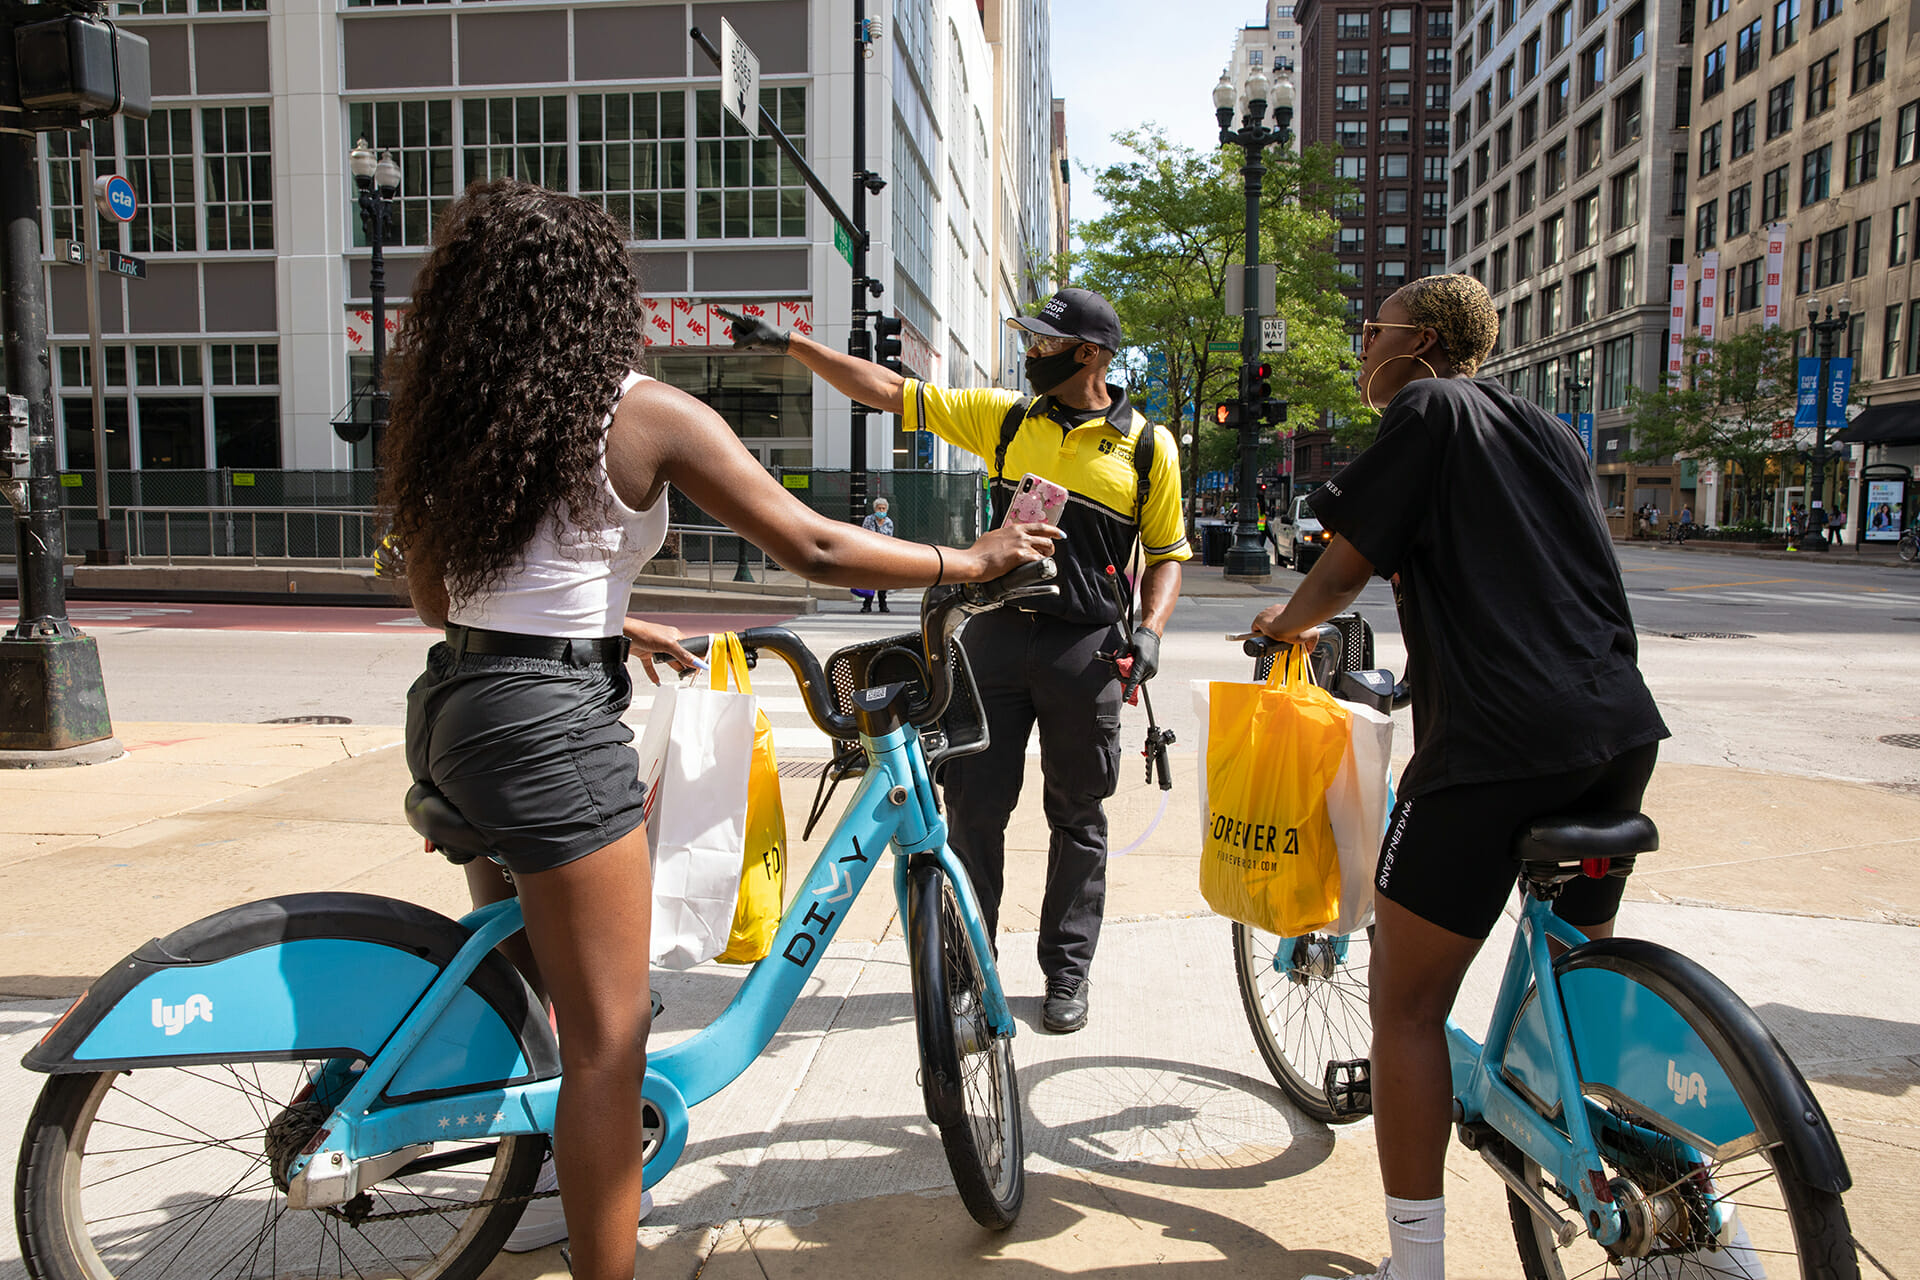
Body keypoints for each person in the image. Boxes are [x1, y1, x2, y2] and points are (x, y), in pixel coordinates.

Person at [382, 181, 1057, 1280]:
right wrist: (969, 560)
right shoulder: (637, 410)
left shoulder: (457, 420)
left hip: (460, 706)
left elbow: (443, 600)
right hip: (549, 731)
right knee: (611, 1044)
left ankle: (563, 1171)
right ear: (598, 297)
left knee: (553, 995)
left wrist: (608, 613)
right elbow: (817, 550)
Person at [1249, 275, 1668, 1280]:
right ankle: (1667, 1199)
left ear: (1424, 342)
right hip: (1615, 730)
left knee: (1404, 1002)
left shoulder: (1427, 405)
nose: (1365, 345)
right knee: (1579, 989)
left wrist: (1282, 626)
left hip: (1496, 745)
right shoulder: (1549, 432)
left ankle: (1416, 1266)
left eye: (1376, 331)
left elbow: (1346, 566)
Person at [720, 286, 1189, 1034]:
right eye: (1032, 342)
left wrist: (1152, 633)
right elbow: (889, 391)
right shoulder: (1004, 417)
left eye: (1046, 344)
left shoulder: (1146, 445)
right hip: (992, 640)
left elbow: (1166, 555)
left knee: (1078, 817)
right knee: (974, 812)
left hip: (1087, 653)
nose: (1033, 354)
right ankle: (973, 969)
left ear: (1091, 355)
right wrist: (792, 346)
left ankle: (1067, 973)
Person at [860, 497, 895, 612]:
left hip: (884, 553)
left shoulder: (889, 522)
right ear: (875, 509)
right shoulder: (868, 520)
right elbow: (865, 535)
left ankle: (882, 604)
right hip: (871, 552)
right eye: (879, 508)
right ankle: (867, 604)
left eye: (883, 509)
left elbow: (889, 538)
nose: (881, 511)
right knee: (870, 579)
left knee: (883, 579)